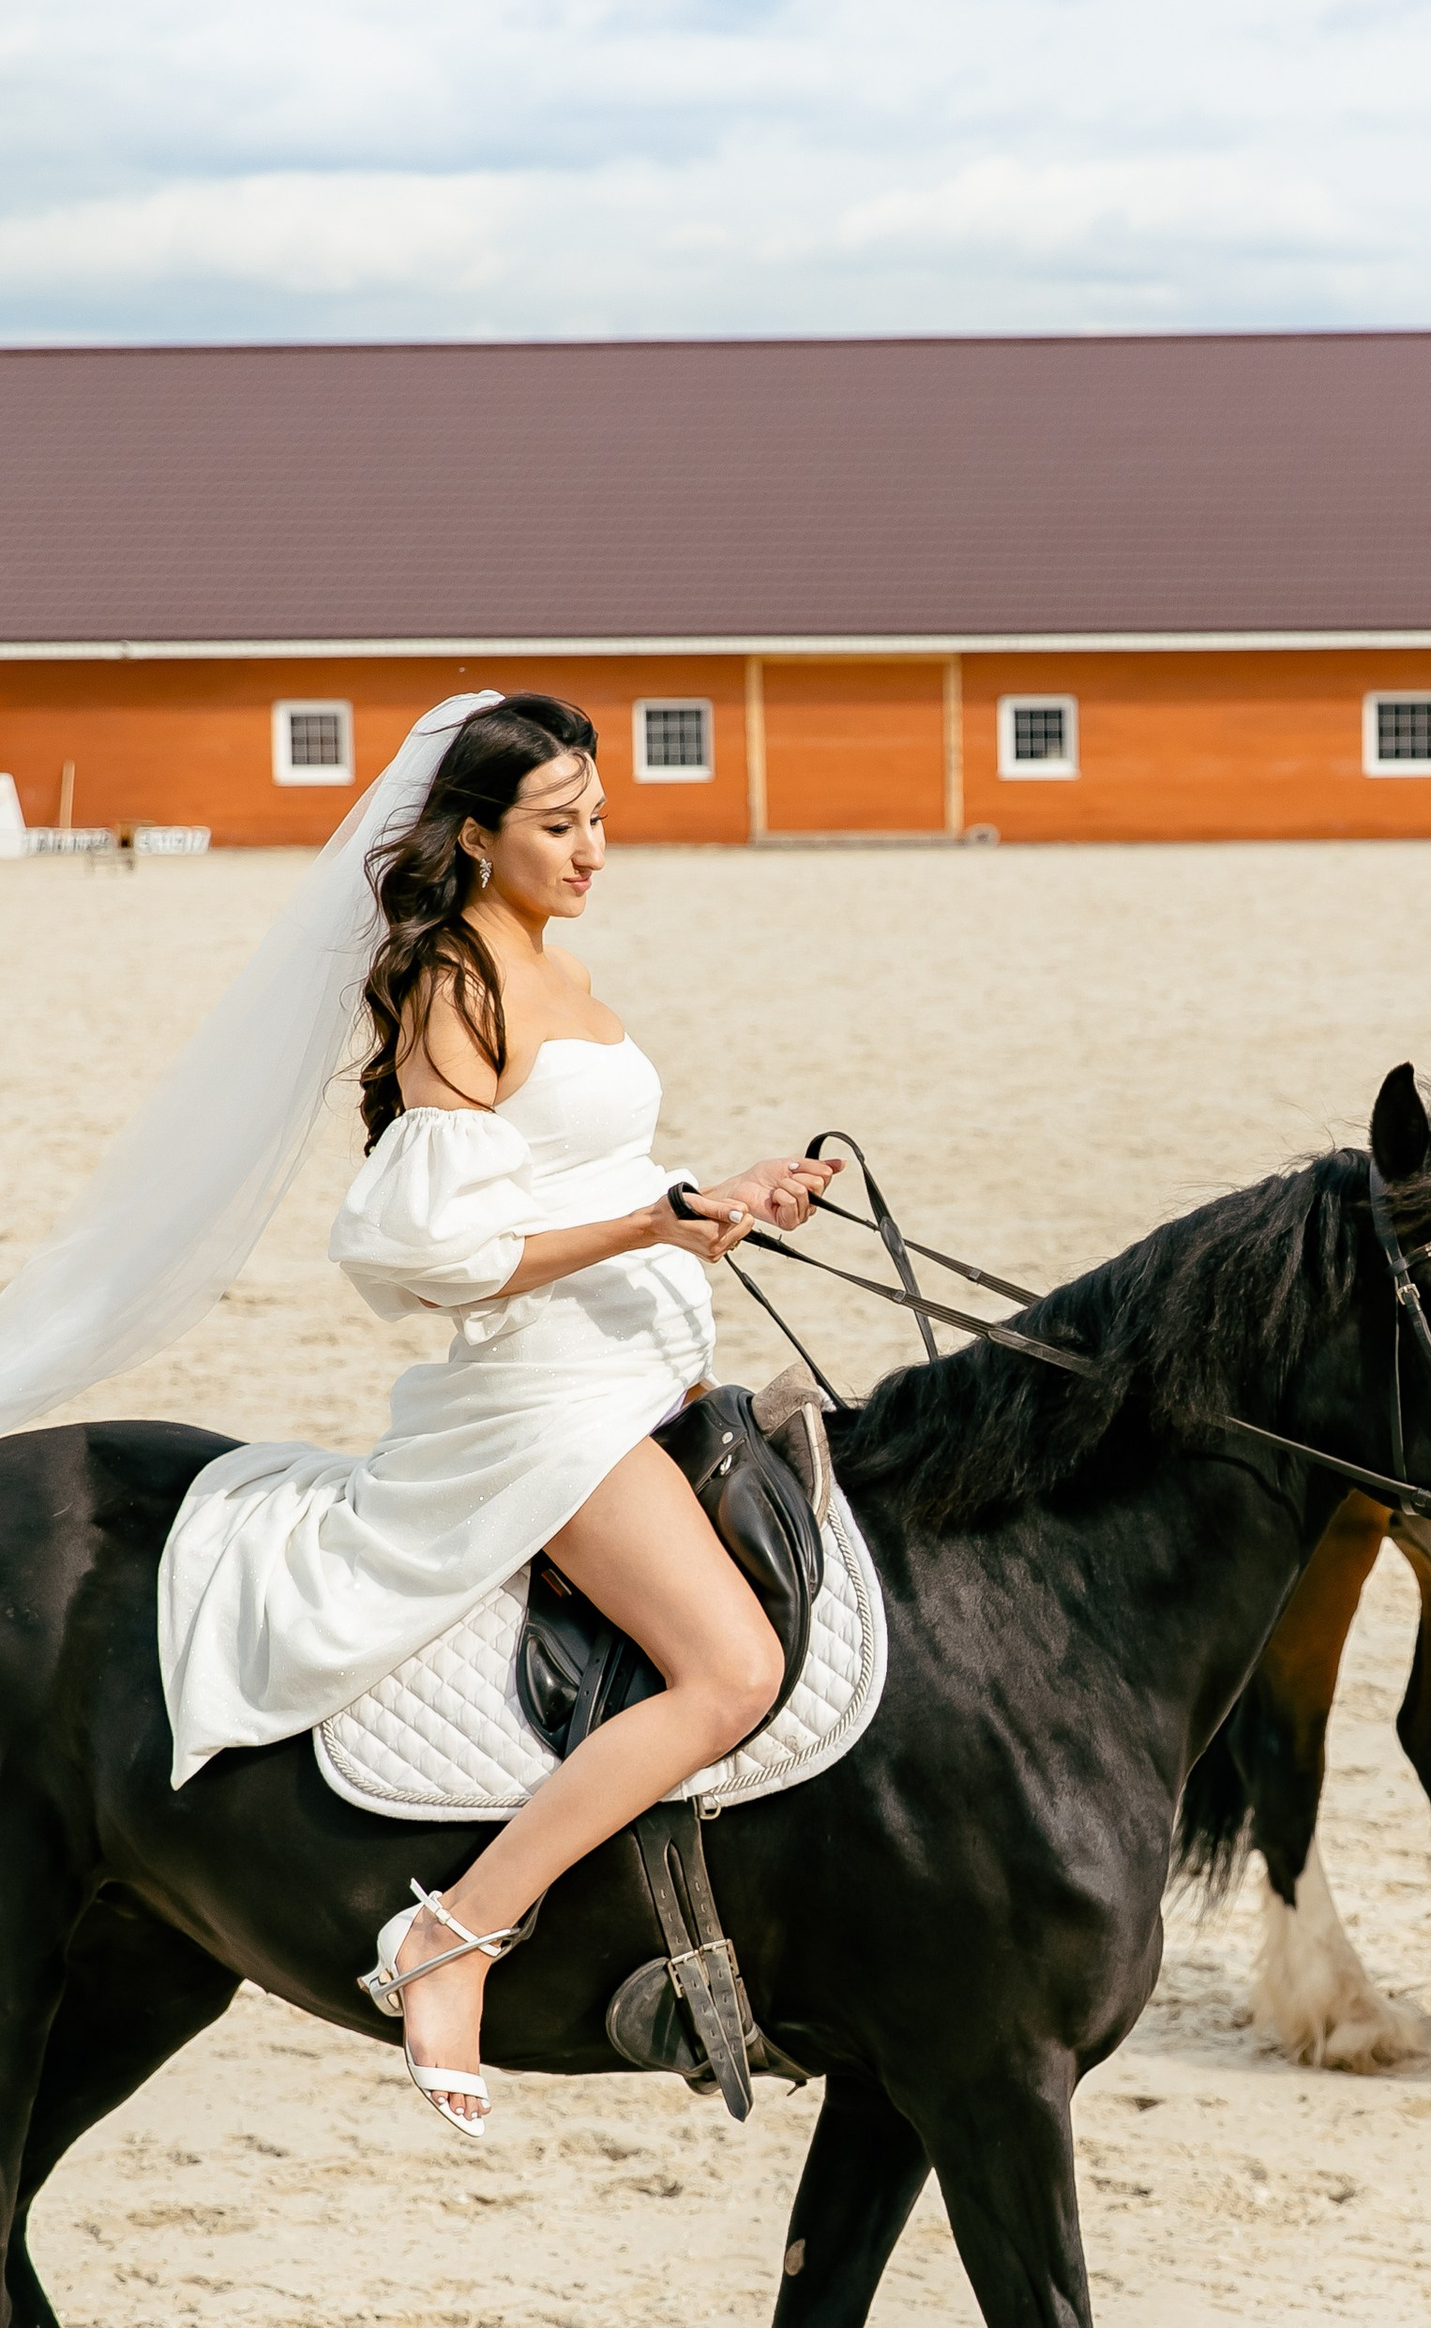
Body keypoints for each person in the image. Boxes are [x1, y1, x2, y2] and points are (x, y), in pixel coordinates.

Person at [0, 688, 835, 2141]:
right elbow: (433, 1252)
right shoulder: (457, 985)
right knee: (730, 1670)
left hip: (648, 1362)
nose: (592, 851)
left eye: (600, 819)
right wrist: (651, 1222)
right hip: (548, 1395)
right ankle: (453, 1935)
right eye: (558, 826)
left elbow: (583, 1172)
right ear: (476, 835)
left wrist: (728, 1195)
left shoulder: (557, 962)